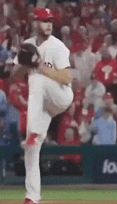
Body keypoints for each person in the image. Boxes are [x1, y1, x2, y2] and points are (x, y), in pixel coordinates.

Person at [12, 8, 74, 204]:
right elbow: (18, 74)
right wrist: (26, 63)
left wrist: (38, 66)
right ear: (35, 22)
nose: (48, 24)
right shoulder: (28, 44)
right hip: (43, 103)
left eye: (50, 21)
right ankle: (32, 197)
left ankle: (33, 132)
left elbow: (66, 78)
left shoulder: (57, 47)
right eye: (44, 21)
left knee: (37, 78)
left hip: (61, 96)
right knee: (31, 149)